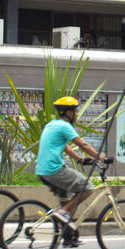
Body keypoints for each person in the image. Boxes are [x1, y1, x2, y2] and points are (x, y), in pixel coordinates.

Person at [34, 96, 110, 237]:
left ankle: (68, 235)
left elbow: (65, 146)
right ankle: (62, 213)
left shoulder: (51, 124)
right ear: (68, 113)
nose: (76, 114)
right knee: (87, 188)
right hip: (54, 170)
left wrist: (80, 159)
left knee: (68, 200)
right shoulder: (65, 126)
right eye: (75, 111)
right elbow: (83, 145)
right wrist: (101, 158)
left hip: (42, 171)